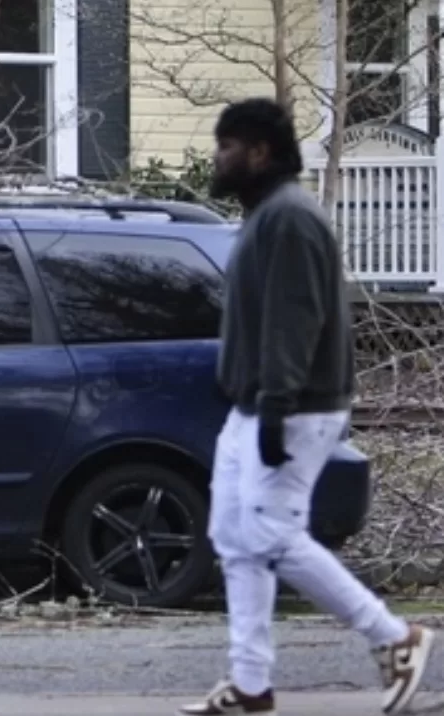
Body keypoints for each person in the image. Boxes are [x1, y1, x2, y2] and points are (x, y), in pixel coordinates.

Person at [181, 98, 435, 716]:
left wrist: (274, 407)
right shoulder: (268, 216)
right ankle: (250, 684)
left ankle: (396, 637)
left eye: (227, 147)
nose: (218, 158)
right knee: (234, 538)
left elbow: (293, 322)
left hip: (292, 407)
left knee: (269, 533)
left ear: (259, 153)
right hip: (257, 405)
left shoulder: (291, 220)